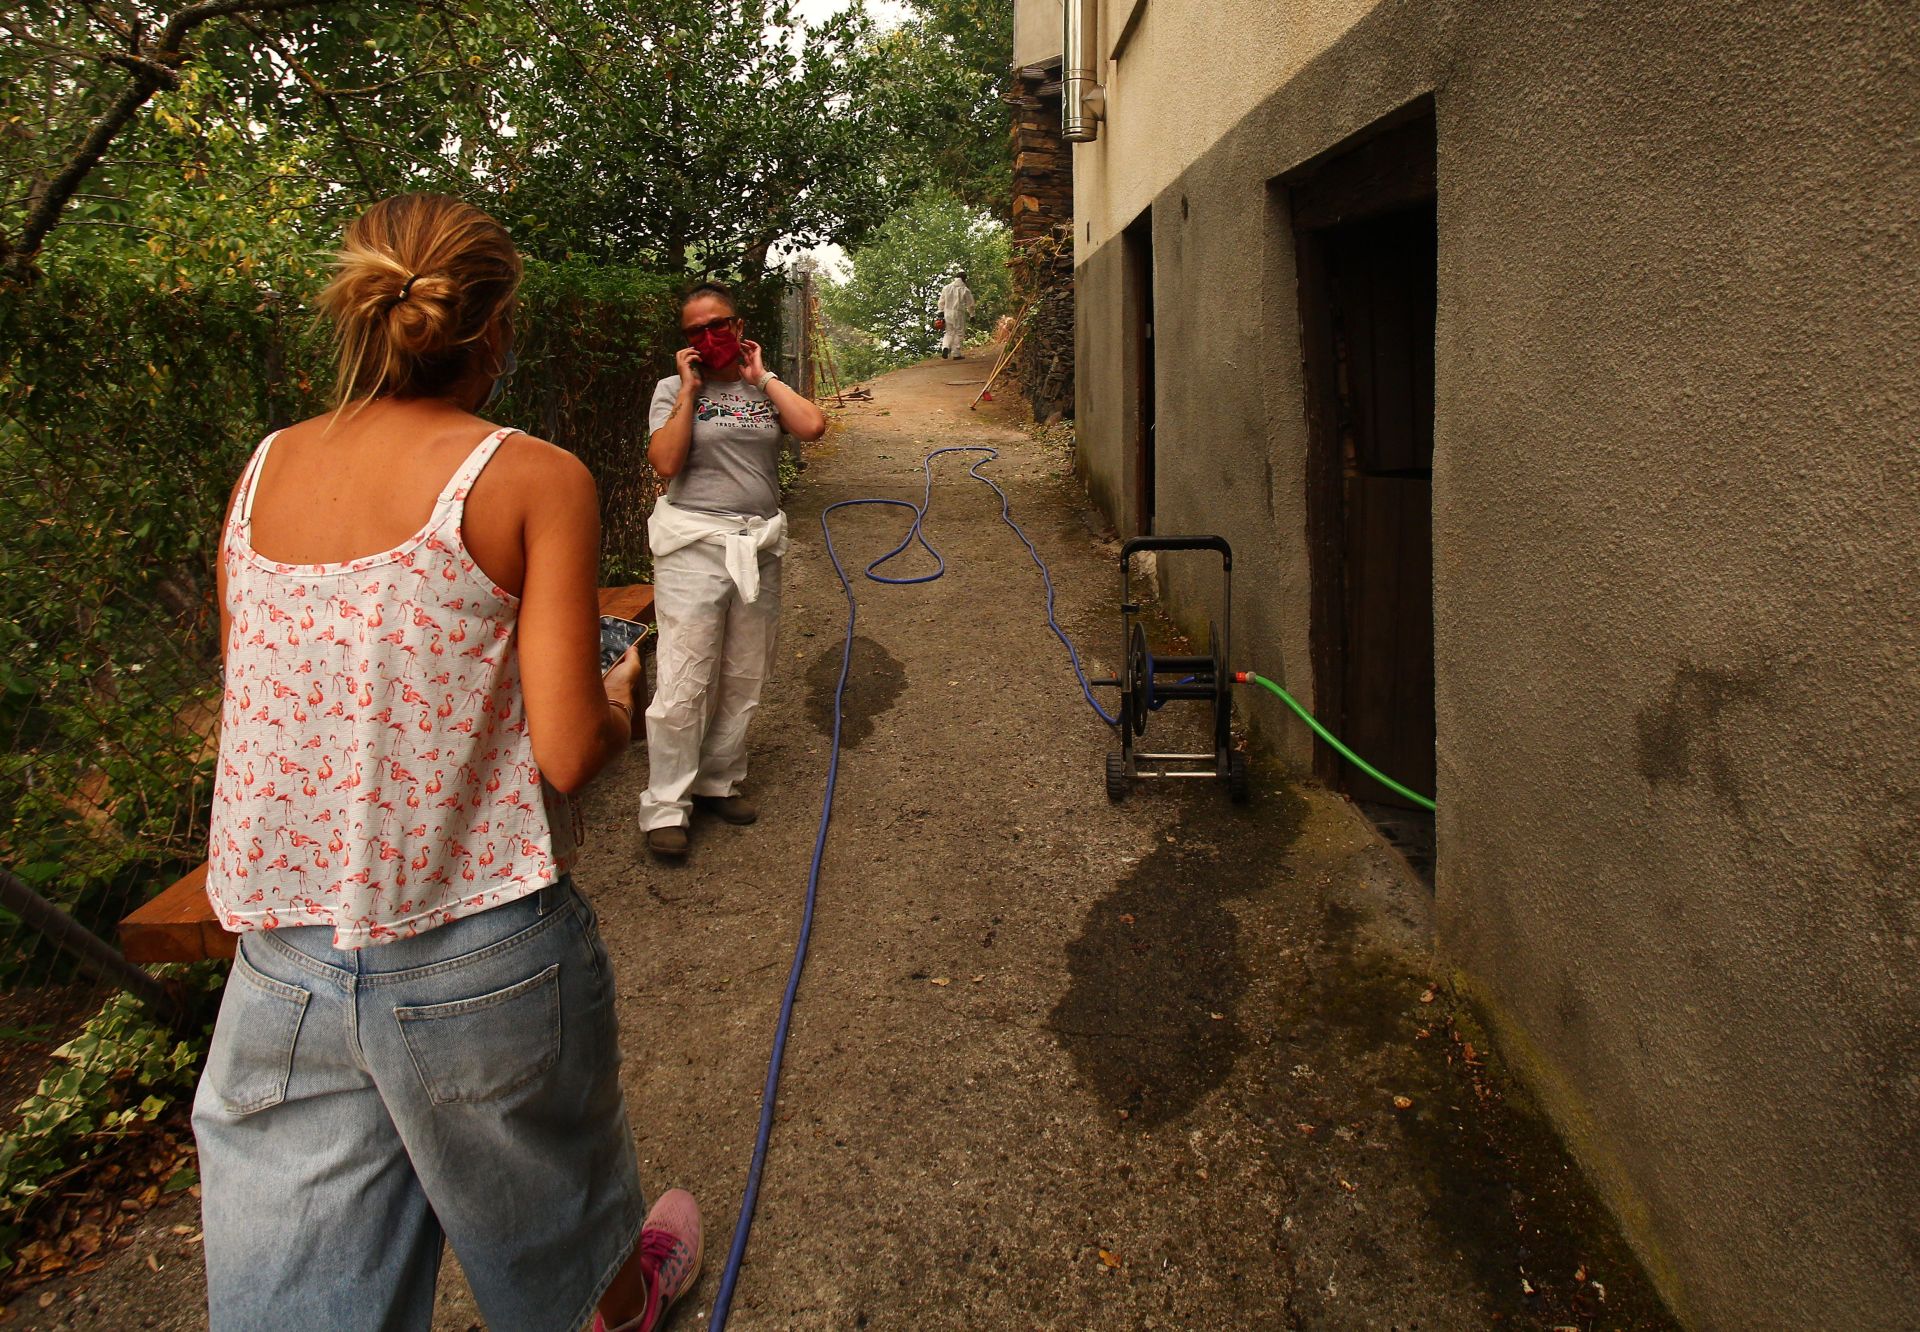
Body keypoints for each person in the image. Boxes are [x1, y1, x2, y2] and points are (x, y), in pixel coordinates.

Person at [193, 192, 701, 1332]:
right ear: (498, 326)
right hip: (477, 943)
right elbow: (566, 750)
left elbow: (272, 703)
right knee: (560, 1256)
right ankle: (627, 1296)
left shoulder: (261, 470)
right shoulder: (532, 477)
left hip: (284, 958)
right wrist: (621, 697)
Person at [641, 282, 828, 859]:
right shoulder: (673, 389)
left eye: (717, 325)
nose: (708, 337)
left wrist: (763, 377)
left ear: (739, 326)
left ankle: (718, 781)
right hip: (693, 545)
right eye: (694, 331)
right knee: (683, 678)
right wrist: (691, 394)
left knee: (745, 672)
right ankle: (666, 807)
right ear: (685, 344)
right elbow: (666, 463)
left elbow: (813, 427)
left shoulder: (762, 389)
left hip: (758, 544)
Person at [937, 269, 976, 359]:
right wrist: (972, 315)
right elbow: (970, 304)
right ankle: (956, 353)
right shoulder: (965, 290)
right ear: (964, 279)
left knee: (949, 332)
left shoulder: (946, 288)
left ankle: (945, 347)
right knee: (958, 333)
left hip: (947, 313)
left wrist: (940, 311)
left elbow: (941, 301)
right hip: (958, 313)